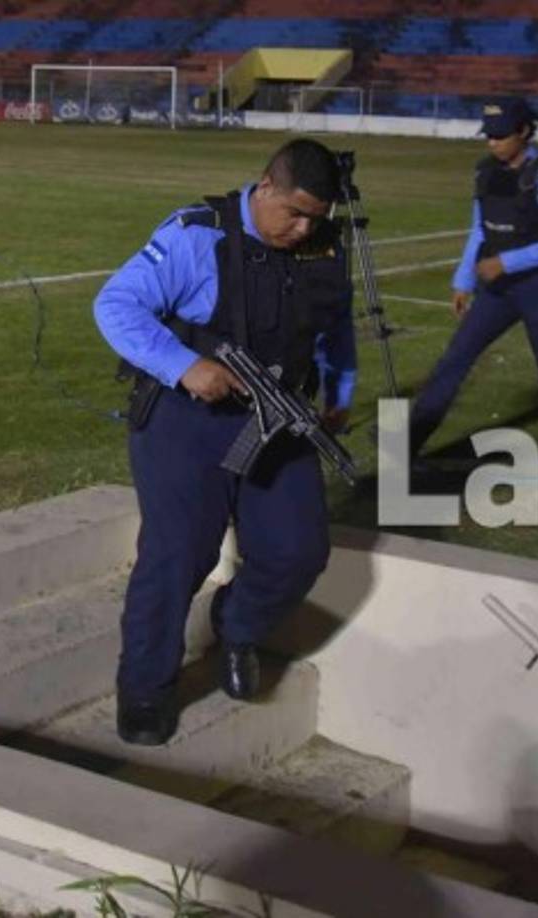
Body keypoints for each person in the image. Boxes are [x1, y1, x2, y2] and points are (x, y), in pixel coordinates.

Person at [93, 139, 357, 745]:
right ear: (264, 187)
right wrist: (184, 365)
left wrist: (341, 388)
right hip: (187, 416)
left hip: (279, 416)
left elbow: (334, 321)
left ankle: (236, 626)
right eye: (294, 212)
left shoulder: (321, 243)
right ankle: (144, 689)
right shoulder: (197, 235)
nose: (303, 228)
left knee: (298, 550)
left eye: (316, 217)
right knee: (179, 554)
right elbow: (116, 304)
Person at [408, 98, 538, 471]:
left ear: (523, 131)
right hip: (497, 291)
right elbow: (478, 231)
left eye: (501, 136)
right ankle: (412, 437)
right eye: (488, 135)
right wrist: (464, 279)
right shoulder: (485, 172)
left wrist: (507, 262)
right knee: (456, 356)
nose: (492, 143)